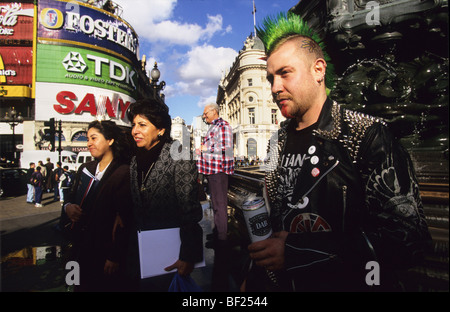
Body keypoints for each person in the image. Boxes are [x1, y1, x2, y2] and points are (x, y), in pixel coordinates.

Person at [242, 12, 432, 292]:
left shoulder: (366, 134)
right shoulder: (275, 141)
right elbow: (273, 215)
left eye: (284, 73)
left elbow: (409, 240)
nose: (274, 88)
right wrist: (256, 275)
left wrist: (300, 251)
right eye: (270, 77)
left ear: (318, 70)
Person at [126, 98, 203, 292]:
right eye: (134, 125)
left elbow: (190, 209)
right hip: (140, 249)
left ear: (160, 129)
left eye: (142, 125)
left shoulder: (179, 154)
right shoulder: (135, 159)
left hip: (171, 252)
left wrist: (188, 255)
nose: (135, 130)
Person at [64, 120, 132, 292]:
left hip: (103, 252)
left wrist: (114, 256)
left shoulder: (123, 172)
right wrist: (68, 207)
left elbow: (125, 220)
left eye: (94, 138)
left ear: (110, 140)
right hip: (78, 248)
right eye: (87, 139)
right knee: (76, 286)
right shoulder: (85, 168)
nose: (89, 143)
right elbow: (70, 198)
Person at [196, 102, 234, 291]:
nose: (204, 116)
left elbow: (225, 149)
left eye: (205, 114)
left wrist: (204, 150)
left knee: (220, 204)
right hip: (211, 171)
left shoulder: (223, 126)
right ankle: (219, 233)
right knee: (216, 205)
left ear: (213, 112)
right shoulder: (214, 127)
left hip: (218, 171)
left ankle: (222, 238)